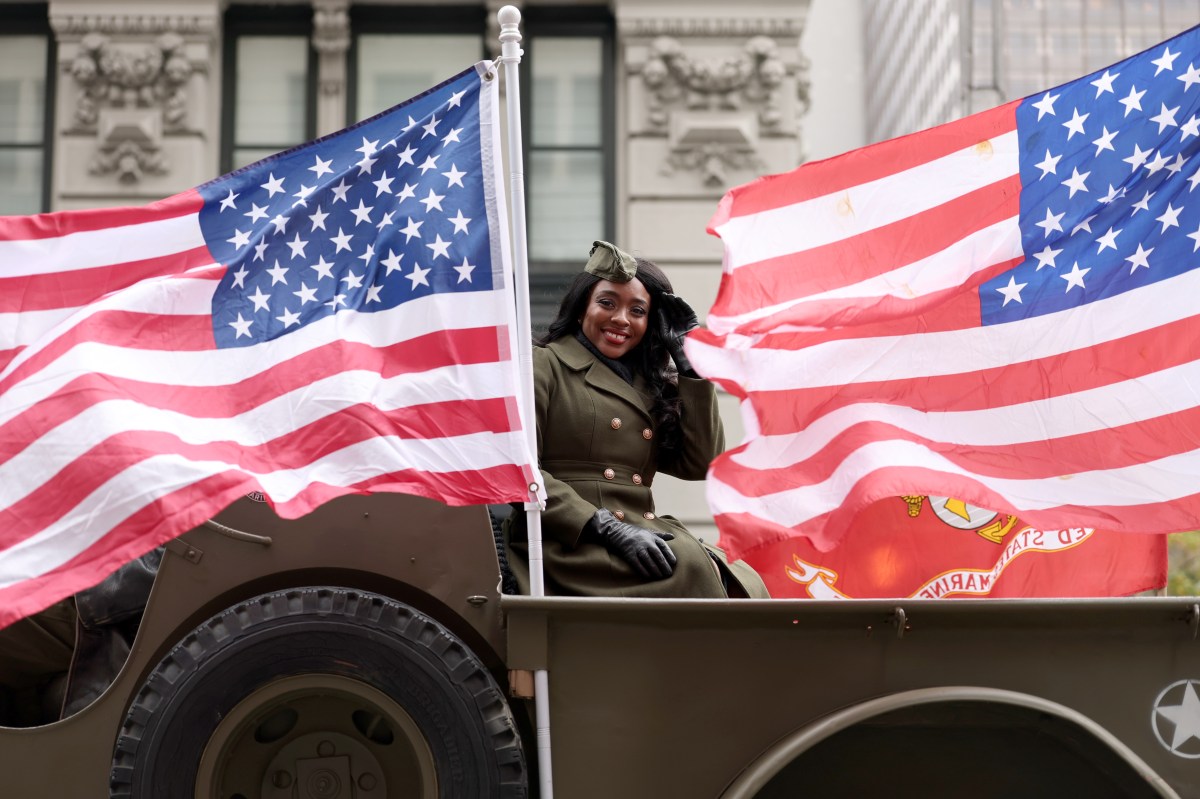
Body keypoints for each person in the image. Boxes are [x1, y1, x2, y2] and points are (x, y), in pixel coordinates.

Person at [503, 241, 769, 598]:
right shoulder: (542, 365)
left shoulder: (647, 384)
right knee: (694, 568)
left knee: (737, 577)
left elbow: (701, 462)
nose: (621, 320)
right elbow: (516, 469)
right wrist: (607, 528)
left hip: (637, 537)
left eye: (638, 310)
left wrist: (691, 368)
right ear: (582, 307)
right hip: (567, 542)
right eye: (607, 303)